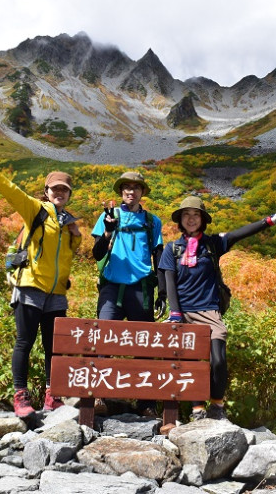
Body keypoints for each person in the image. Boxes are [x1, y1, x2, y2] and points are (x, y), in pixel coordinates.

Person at [0, 141, 82, 418]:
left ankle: (52, 397)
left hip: (56, 294)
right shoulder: (35, 210)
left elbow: (65, 260)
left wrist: (77, 237)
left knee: (55, 348)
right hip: (30, 287)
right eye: (55, 189)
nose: (59, 193)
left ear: (69, 194)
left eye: (64, 190)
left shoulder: (69, 224)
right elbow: (10, 189)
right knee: (25, 342)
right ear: (47, 191)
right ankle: (21, 398)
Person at [158, 195, 276, 421]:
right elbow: (169, 281)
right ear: (180, 220)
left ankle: (217, 404)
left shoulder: (213, 244)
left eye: (195, 215)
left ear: (202, 219)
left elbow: (239, 233)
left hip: (210, 311)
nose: (191, 219)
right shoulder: (171, 249)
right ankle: (197, 410)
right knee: (193, 362)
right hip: (183, 313)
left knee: (218, 360)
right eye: (186, 215)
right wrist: (175, 313)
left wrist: (271, 220)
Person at [91, 171, 166, 416]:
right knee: (103, 341)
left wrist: (162, 292)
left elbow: (158, 256)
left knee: (144, 347)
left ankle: (146, 404)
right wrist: (108, 231)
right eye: (126, 187)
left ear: (142, 192)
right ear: (121, 192)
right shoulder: (109, 216)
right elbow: (97, 253)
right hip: (112, 287)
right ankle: (99, 397)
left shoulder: (152, 221)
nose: (130, 191)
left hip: (142, 288)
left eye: (135, 187)